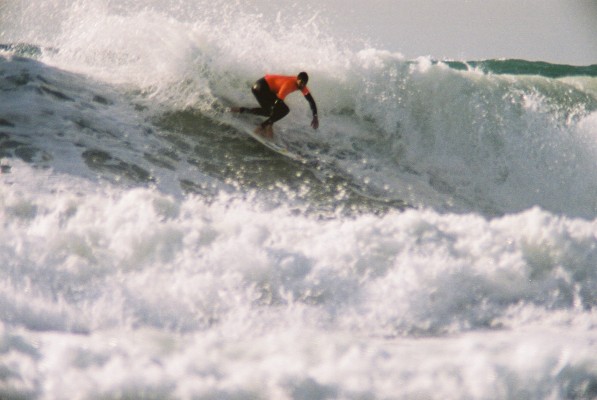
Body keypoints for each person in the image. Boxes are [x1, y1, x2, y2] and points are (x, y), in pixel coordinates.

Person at [232, 72, 319, 139]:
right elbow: (277, 103)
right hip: (261, 87)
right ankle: (262, 127)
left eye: (304, 84)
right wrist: (269, 123)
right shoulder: (289, 84)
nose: (302, 85)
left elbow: (311, 101)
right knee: (284, 110)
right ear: (297, 79)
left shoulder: (302, 86)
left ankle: (238, 110)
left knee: (268, 112)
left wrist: (315, 116)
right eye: (301, 83)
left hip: (264, 88)